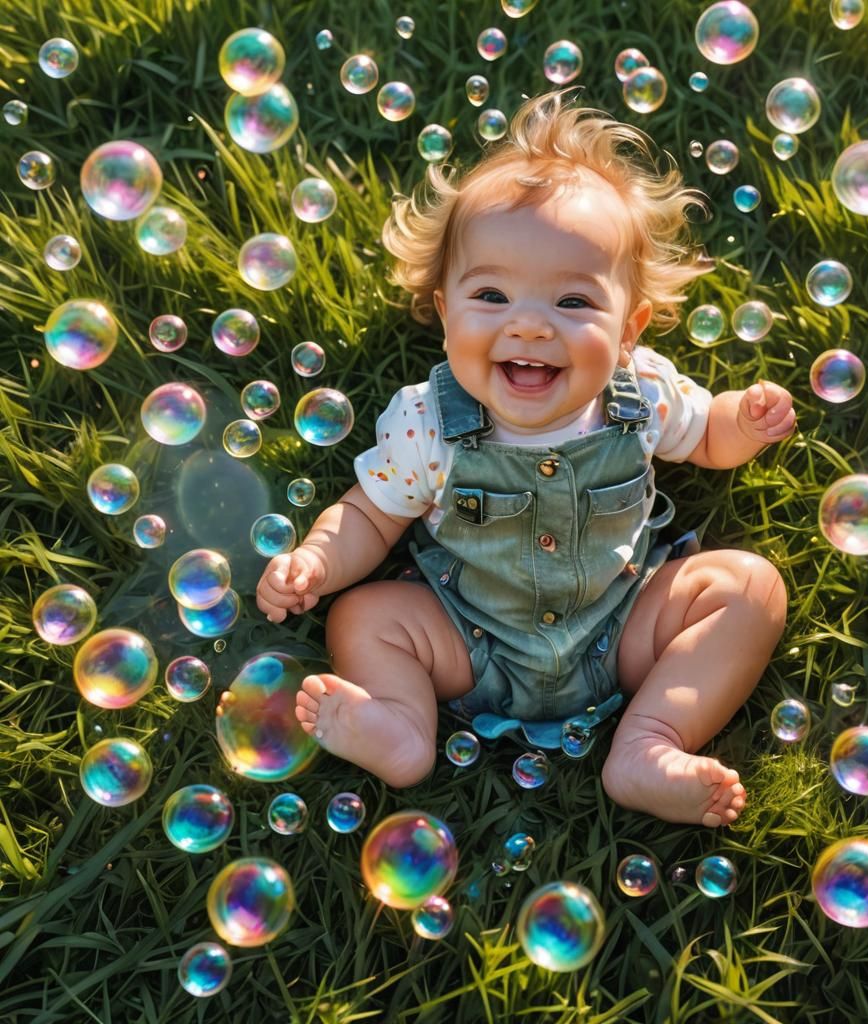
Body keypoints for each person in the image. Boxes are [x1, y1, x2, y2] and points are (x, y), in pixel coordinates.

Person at [256, 90, 794, 826]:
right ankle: (402, 729)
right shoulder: (428, 422)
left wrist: (745, 420)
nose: (532, 326)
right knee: (362, 613)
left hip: (622, 625)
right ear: (446, 310)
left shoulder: (641, 395)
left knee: (749, 586)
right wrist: (317, 561)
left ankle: (649, 743)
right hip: (468, 643)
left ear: (629, 327)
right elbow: (369, 517)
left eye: (573, 303)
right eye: (492, 294)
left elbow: (707, 440)